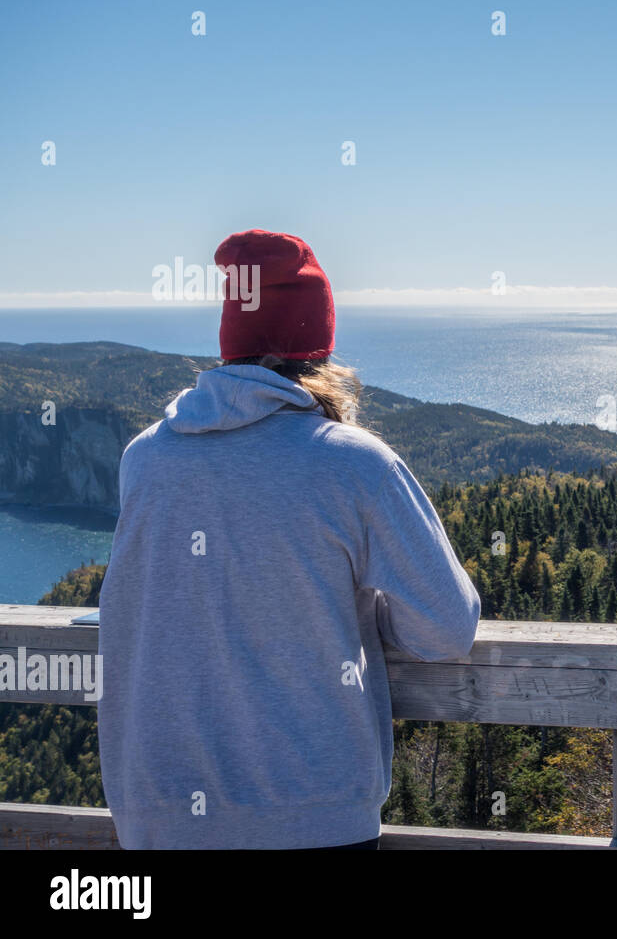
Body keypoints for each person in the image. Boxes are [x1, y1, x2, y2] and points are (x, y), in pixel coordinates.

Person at [98, 229, 480, 849]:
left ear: (229, 343)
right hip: (309, 817)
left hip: (157, 819)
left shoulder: (145, 457)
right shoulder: (355, 464)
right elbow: (446, 628)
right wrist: (364, 603)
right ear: (321, 351)